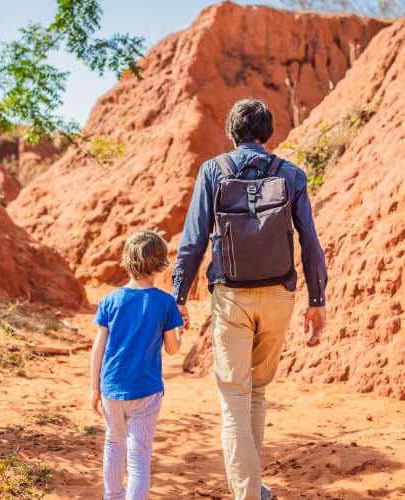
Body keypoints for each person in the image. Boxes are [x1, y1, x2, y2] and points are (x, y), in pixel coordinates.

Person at [172, 98, 328, 500]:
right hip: (279, 294)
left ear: (232, 132)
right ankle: (253, 486)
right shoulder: (291, 174)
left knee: (234, 398)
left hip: (231, 296)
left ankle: (246, 495)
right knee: (257, 391)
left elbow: (192, 241)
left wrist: (179, 295)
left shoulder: (213, 171)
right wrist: (317, 298)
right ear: (268, 132)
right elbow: (309, 241)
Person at [90, 229, 184, 500]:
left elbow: (98, 348)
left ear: (127, 260)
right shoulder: (165, 303)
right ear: (160, 262)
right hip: (146, 391)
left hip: (111, 388)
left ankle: (112, 496)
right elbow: (173, 349)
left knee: (113, 443)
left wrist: (94, 388)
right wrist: (180, 328)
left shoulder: (110, 300)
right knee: (139, 455)